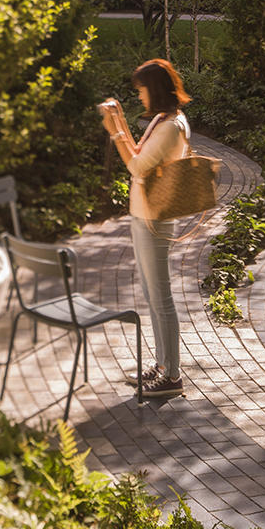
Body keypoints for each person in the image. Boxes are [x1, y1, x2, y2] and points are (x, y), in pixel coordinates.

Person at [99, 58, 193, 399]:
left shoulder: (172, 127)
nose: (139, 96)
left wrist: (114, 131)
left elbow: (136, 166)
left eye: (140, 90)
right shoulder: (161, 119)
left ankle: (173, 377)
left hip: (156, 218)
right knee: (153, 296)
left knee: (162, 297)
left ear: (153, 89)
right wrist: (120, 120)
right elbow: (139, 151)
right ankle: (162, 365)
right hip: (143, 213)